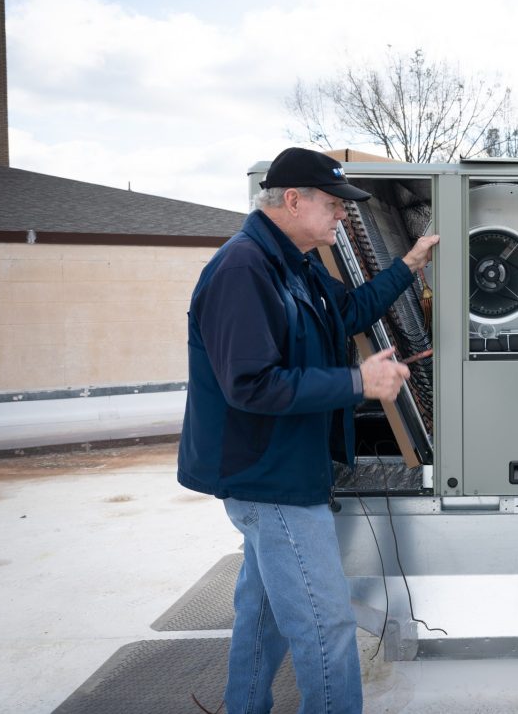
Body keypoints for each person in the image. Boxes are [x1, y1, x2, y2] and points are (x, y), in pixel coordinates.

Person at [177, 146, 438, 714]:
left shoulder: (296, 263)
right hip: (269, 479)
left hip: (282, 470)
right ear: (292, 200)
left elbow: (347, 313)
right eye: (334, 204)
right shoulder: (242, 270)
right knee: (327, 628)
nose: (343, 215)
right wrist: (357, 384)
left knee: (264, 614)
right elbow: (250, 384)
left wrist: (410, 265)